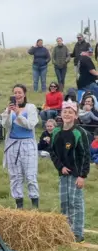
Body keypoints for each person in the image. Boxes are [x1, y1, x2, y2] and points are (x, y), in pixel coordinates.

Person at [49, 100, 90, 243]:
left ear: (76, 115)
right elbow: (52, 152)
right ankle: (65, 231)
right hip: (63, 173)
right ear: (61, 113)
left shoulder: (79, 133)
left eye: (70, 112)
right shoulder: (56, 131)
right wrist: (60, 167)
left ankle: (78, 232)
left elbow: (85, 155)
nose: (67, 114)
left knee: (76, 202)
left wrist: (82, 175)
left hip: (76, 174)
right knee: (64, 202)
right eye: (65, 111)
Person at [2, 84, 40, 209]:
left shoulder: (30, 107)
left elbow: (30, 125)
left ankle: (35, 204)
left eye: (19, 92)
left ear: (24, 94)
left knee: (30, 175)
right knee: (15, 176)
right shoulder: (9, 109)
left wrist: (19, 114)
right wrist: (8, 113)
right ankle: (19, 205)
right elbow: (6, 126)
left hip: (27, 143)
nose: (17, 95)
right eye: (15, 93)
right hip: (13, 144)